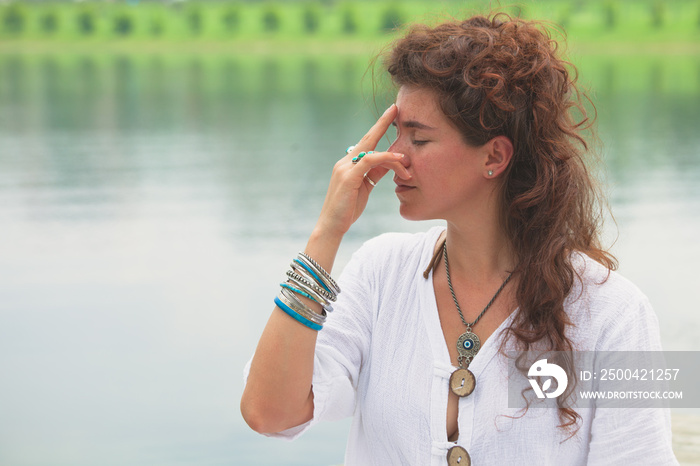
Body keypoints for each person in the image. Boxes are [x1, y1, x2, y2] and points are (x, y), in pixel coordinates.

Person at [241, 13, 678, 465]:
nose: (393, 156)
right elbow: (269, 414)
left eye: (419, 138)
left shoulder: (614, 314)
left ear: (494, 155)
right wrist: (326, 234)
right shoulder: (379, 272)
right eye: (396, 133)